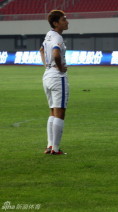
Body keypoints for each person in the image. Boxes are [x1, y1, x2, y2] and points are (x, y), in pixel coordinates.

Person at [39, 10, 69, 154]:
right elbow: (56, 52)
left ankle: (50, 146)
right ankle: (55, 149)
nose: (67, 22)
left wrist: (47, 64)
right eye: (64, 20)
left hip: (47, 75)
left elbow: (41, 50)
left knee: (52, 111)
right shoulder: (58, 37)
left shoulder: (48, 35)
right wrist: (60, 66)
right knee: (60, 112)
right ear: (56, 23)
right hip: (57, 77)